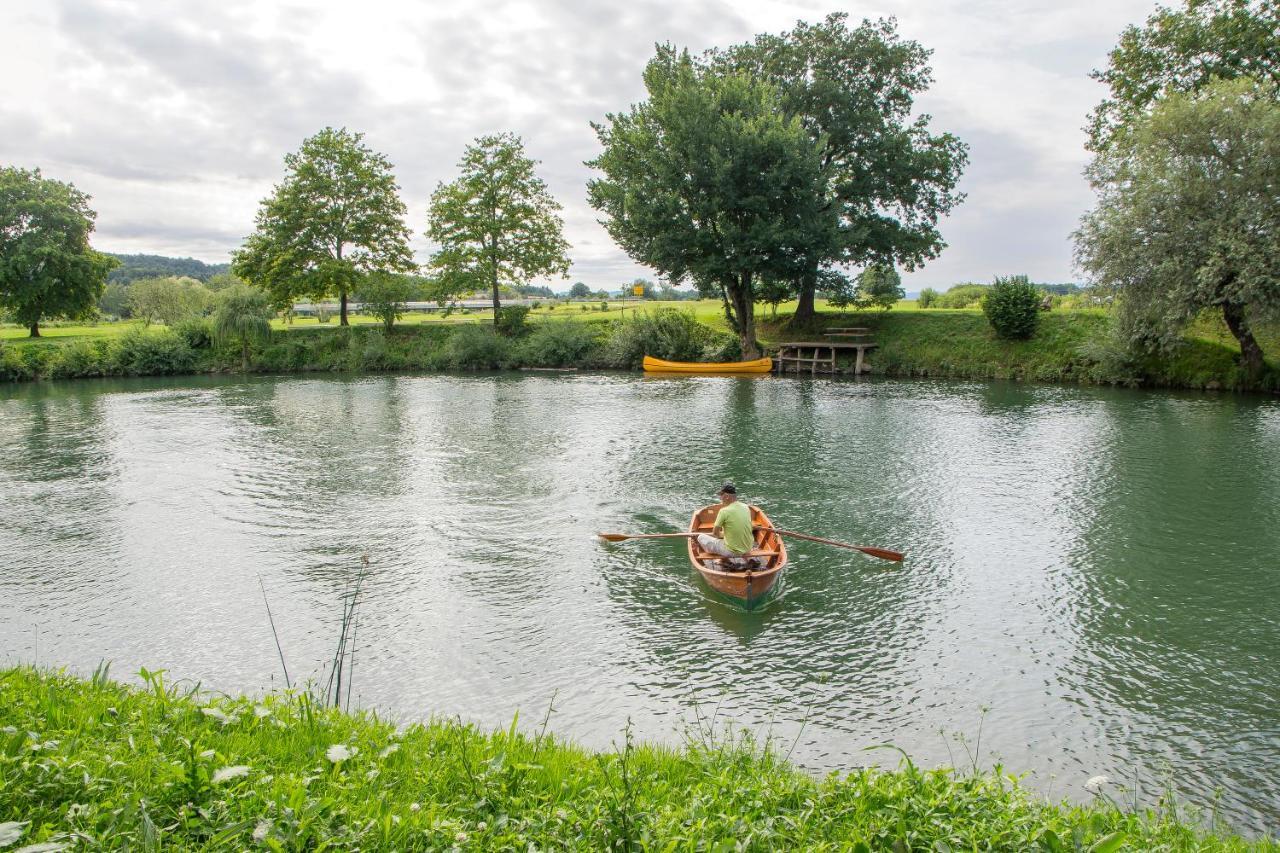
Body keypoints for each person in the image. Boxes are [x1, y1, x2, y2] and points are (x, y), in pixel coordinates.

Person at [696, 482, 759, 570]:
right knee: (728, 538)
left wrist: (722, 535)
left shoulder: (724, 511)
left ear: (727, 496)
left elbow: (715, 534)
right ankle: (745, 557)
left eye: (721, 495)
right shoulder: (746, 507)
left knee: (700, 537)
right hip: (748, 547)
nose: (720, 498)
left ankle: (724, 560)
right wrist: (724, 534)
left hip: (732, 551)